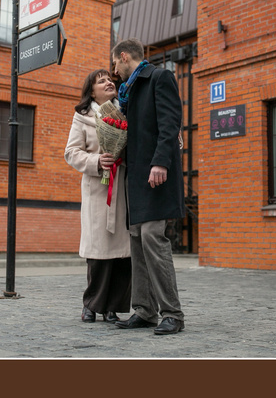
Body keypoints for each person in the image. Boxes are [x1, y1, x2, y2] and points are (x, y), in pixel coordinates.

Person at [108, 40, 184, 335]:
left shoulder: (159, 78)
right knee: (137, 239)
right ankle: (144, 310)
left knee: (153, 236)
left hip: (156, 173)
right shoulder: (128, 92)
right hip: (135, 175)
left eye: (115, 64)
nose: (114, 71)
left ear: (124, 57)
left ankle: (172, 313)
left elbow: (170, 123)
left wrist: (161, 162)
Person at [62, 68, 132, 322]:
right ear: (91, 91)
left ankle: (113, 306)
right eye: (100, 81)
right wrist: (96, 161)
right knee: (99, 251)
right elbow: (71, 152)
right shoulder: (82, 117)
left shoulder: (125, 111)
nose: (107, 83)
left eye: (109, 79)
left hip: (122, 188)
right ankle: (91, 304)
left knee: (123, 253)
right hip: (97, 190)